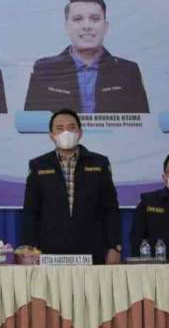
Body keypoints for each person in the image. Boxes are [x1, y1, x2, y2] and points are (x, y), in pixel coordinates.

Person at [20, 109, 122, 264]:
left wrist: (115, 247)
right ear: (51, 135)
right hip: (49, 252)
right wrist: (29, 248)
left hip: (93, 250)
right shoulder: (38, 165)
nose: (66, 132)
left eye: (71, 127)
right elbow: (30, 212)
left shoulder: (99, 163)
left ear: (80, 133)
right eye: (59, 128)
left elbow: (110, 209)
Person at [24, 0, 149, 113]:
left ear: (106, 26)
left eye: (95, 19)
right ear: (66, 26)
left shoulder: (128, 72)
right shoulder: (45, 70)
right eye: (78, 19)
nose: (87, 26)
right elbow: (31, 124)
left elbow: (142, 124)